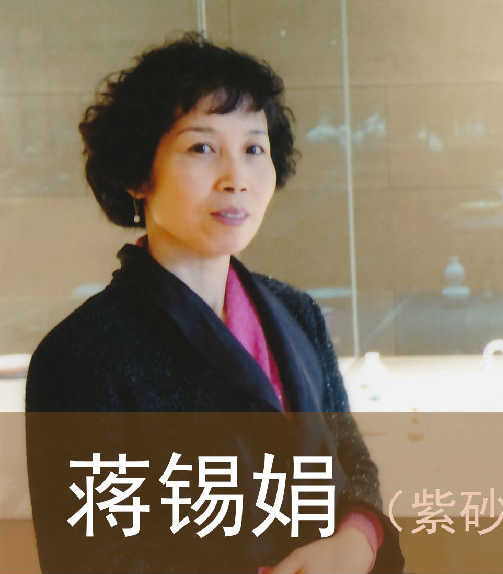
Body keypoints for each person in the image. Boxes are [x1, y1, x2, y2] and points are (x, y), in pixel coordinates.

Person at [25, 33, 403, 574]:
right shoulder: (81, 355)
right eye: (202, 148)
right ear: (137, 174)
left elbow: (352, 461)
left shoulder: (297, 312)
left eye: (254, 149)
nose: (236, 179)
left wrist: (357, 541)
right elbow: (90, 559)